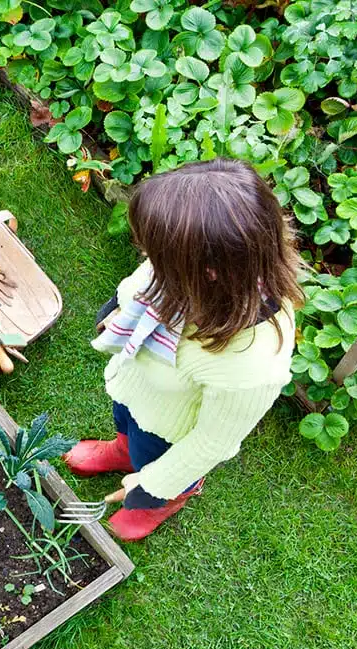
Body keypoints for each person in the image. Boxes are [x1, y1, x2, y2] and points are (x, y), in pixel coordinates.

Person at [63, 158, 303, 541]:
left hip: (171, 430)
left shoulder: (252, 363)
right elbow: (145, 281)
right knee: (126, 419)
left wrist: (151, 485)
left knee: (152, 454)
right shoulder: (198, 275)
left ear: (206, 271)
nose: (145, 256)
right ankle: (124, 451)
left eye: (156, 254)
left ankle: (166, 500)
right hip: (140, 383)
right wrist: (118, 309)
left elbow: (211, 443)